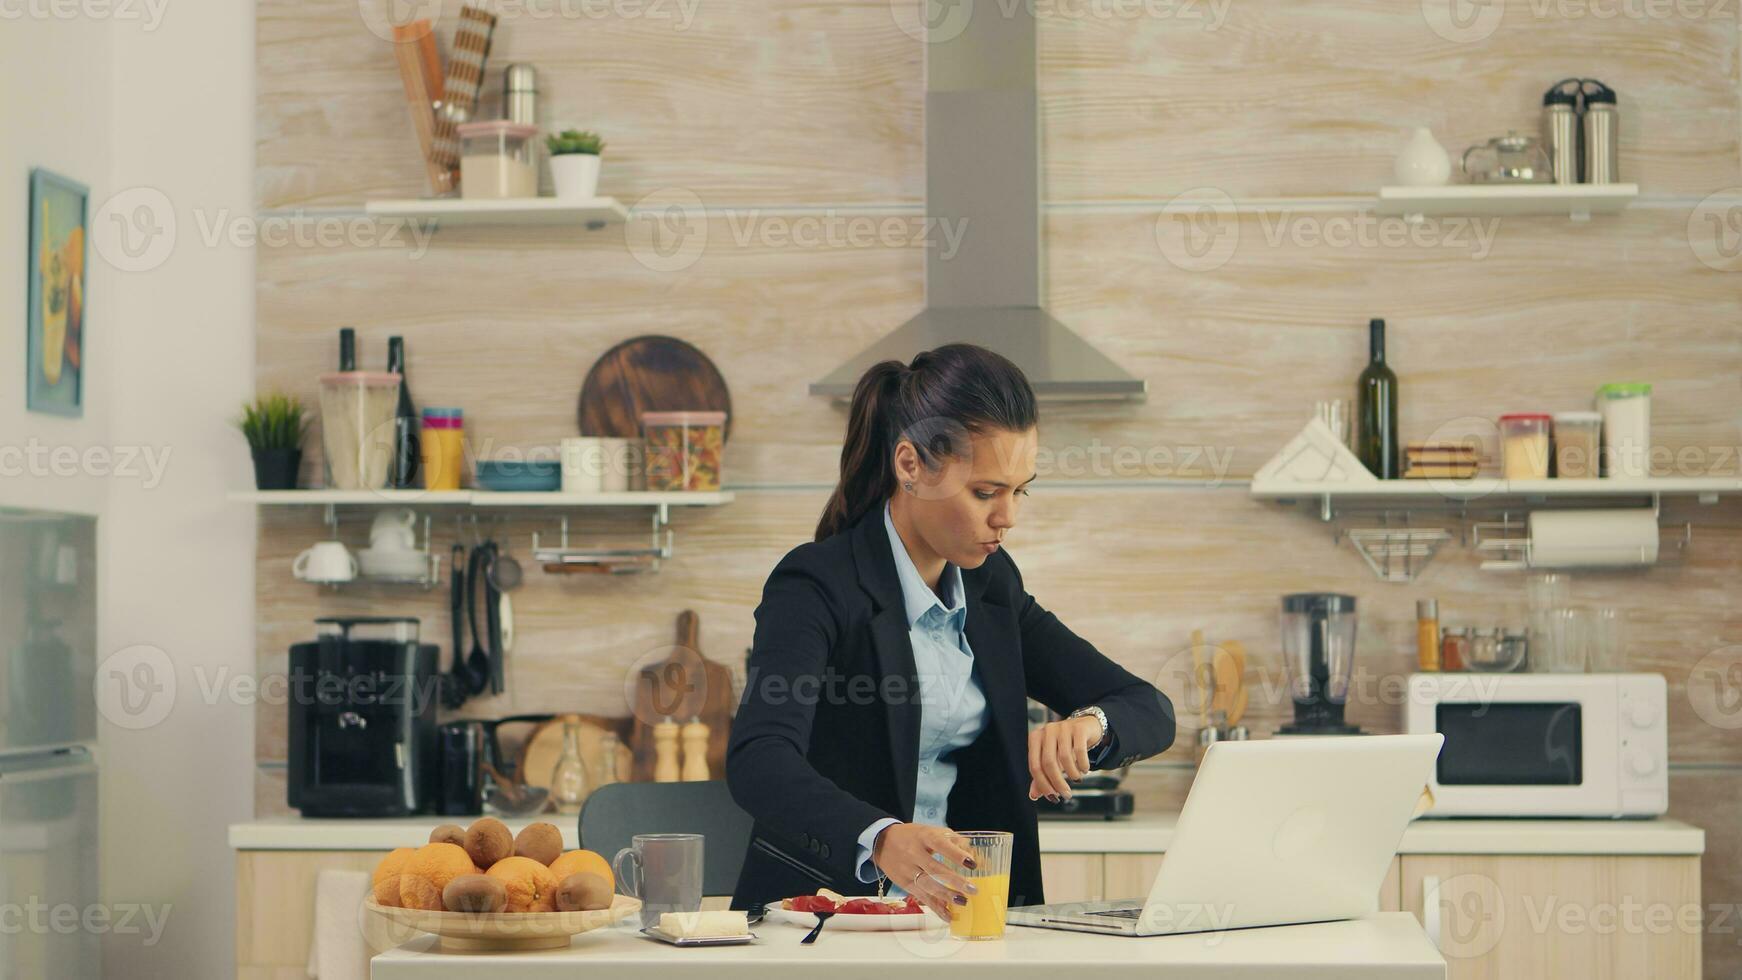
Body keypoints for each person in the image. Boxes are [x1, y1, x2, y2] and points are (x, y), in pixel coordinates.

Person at [726, 344, 1174, 917]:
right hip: (820, 921)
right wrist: (881, 835)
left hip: (963, 919)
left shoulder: (993, 588)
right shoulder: (816, 584)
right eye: (985, 492)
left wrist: (1091, 724)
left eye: (1020, 490)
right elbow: (760, 759)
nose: (1007, 516)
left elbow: (1148, 706)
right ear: (910, 466)